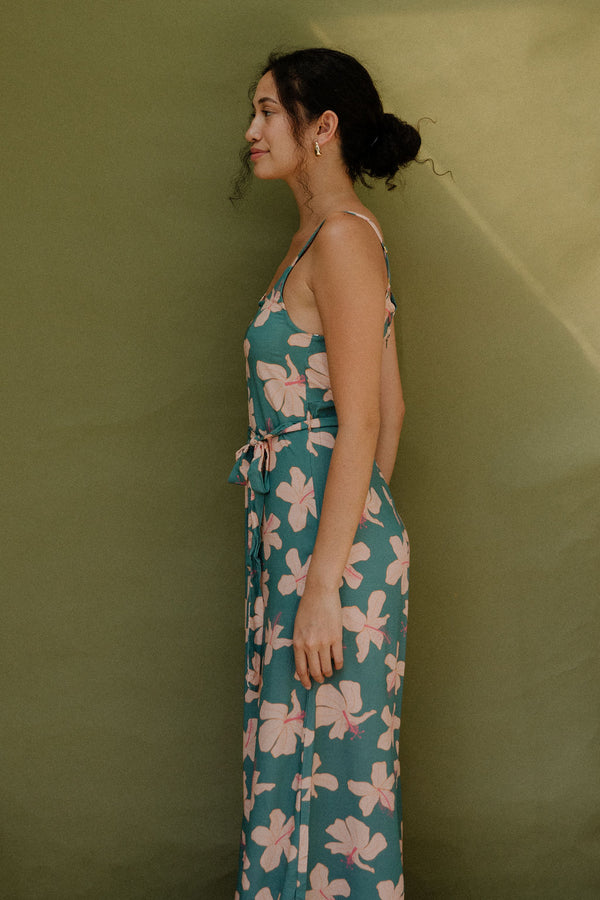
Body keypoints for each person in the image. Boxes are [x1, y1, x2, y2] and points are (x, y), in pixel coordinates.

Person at [228, 47, 419, 900]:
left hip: (325, 560)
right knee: (294, 776)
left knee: (334, 783)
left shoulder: (342, 241)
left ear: (323, 128)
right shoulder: (310, 239)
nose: (252, 131)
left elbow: (369, 418)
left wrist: (331, 575)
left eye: (269, 112)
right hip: (307, 543)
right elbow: (391, 410)